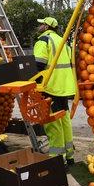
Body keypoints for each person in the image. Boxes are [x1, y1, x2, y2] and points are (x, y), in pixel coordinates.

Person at [33, 16, 78, 166]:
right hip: (63, 87)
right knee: (64, 121)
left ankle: (57, 159)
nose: (39, 27)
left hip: (49, 87)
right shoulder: (62, 41)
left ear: (46, 27)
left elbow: (38, 65)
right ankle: (69, 156)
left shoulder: (44, 41)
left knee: (53, 124)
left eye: (42, 24)